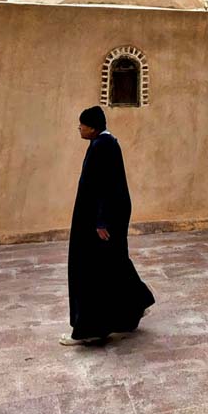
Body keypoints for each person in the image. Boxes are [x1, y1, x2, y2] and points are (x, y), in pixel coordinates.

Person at [60, 105, 155, 346]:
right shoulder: (104, 143)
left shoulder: (102, 146)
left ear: (92, 127)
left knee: (89, 268)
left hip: (99, 221)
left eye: (81, 124)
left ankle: (90, 328)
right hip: (105, 217)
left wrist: (101, 221)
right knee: (113, 262)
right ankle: (136, 304)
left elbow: (104, 186)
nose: (78, 128)